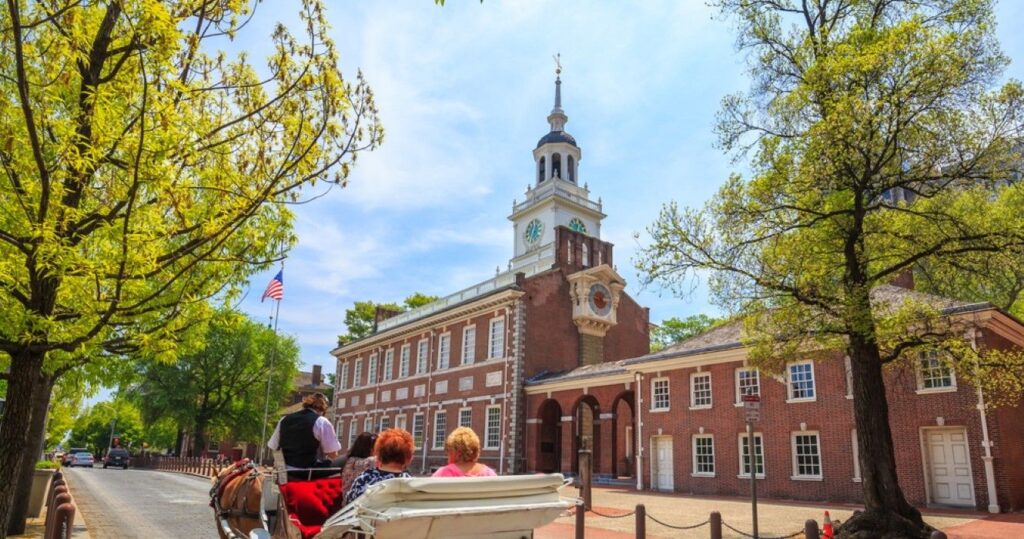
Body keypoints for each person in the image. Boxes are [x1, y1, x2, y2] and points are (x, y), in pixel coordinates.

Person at [267, 393, 343, 478]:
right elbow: (332, 454)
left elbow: (274, 447)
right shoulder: (321, 421)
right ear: (323, 409)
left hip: (286, 472)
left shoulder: (284, 419)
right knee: (344, 461)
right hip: (308, 473)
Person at [344, 428, 414, 504]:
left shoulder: (364, 479)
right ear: (409, 458)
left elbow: (349, 505)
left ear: (378, 454)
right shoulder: (412, 484)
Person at [432, 427, 497, 478]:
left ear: (458, 453)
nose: (447, 457)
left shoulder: (443, 473)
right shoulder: (489, 473)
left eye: (449, 452)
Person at [341, 432, 377, 500]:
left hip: (347, 501)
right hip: (358, 504)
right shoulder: (369, 461)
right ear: (370, 448)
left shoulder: (350, 460)